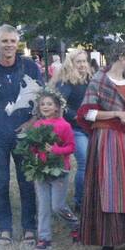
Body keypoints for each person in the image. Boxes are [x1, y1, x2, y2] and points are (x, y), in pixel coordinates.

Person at [78, 45, 125, 250]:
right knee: (109, 187)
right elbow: (87, 113)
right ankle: (108, 241)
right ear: (120, 57)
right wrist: (116, 113)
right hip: (107, 139)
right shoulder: (99, 81)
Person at [0, 24, 43, 244]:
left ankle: (29, 228)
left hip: (23, 134)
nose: (9, 45)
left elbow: (43, 100)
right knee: (0, 183)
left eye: (12, 41)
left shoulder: (30, 66)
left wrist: (32, 123)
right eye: (4, 41)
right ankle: (5, 228)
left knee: (26, 182)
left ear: (17, 43)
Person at [26, 91, 77, 250]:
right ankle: (44, 238)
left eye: (49, 104)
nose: (45, 107)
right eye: (42, 104)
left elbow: (71, 147)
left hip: (59, 169)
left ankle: (75, 224)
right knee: (43, 205)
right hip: (41, 170)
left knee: (57, 205)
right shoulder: (37, 126)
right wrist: (33, 152)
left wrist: (56, 150)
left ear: (56, 107)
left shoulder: (64, 125)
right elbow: (33, 146)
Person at [55, 48, 92, 212]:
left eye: (84, 61)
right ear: (72, 63)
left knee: (92, 163)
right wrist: (76, 116)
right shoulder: (66, 81)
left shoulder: (90, 79)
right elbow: (59, 103)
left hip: (91, 127)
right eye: (79, 62)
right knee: (84, 162)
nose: (83, 65)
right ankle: (80, 201)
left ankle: (92, 197)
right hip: (75, 129)